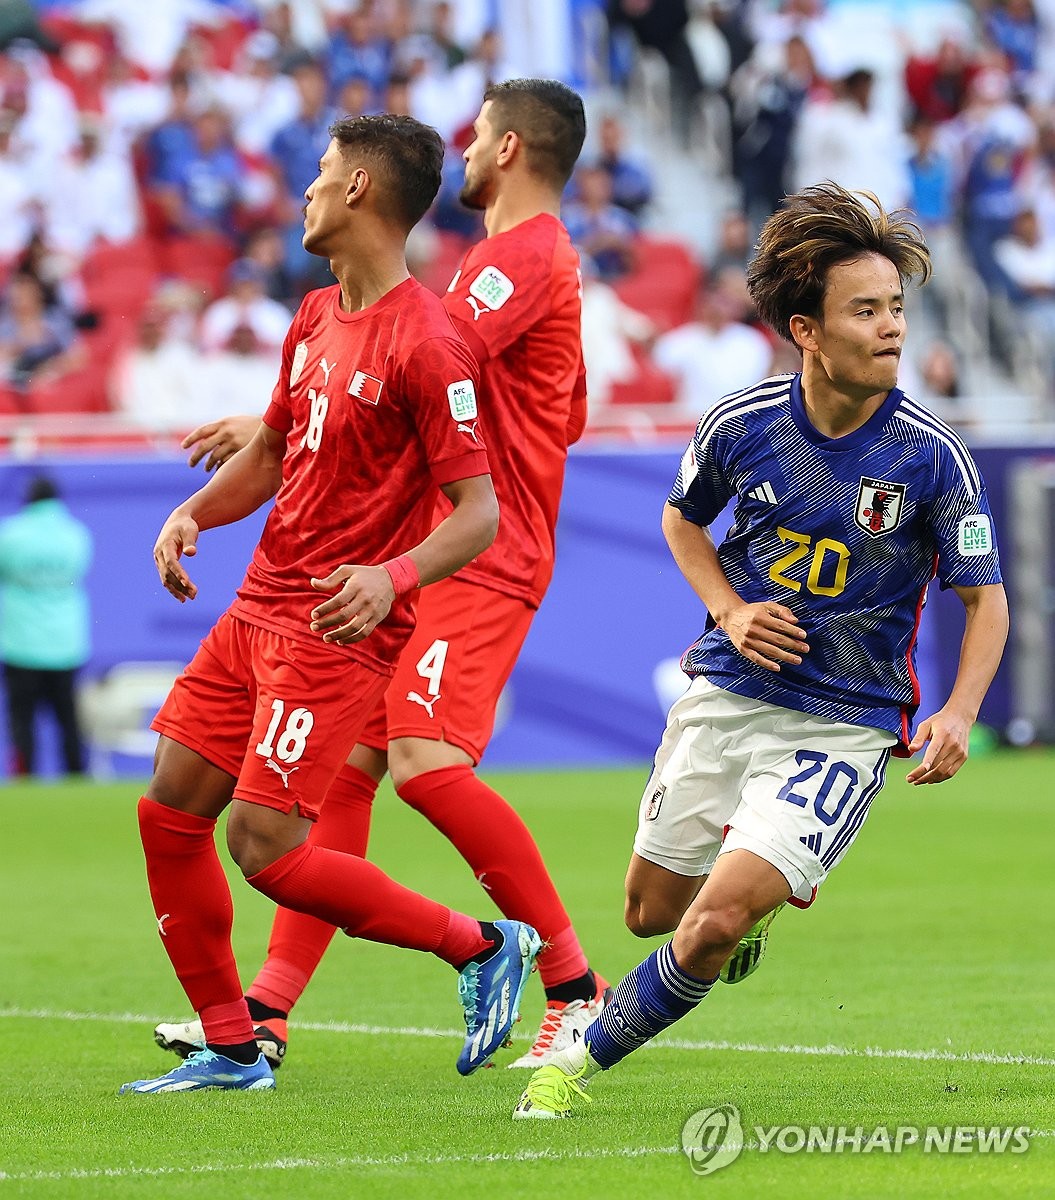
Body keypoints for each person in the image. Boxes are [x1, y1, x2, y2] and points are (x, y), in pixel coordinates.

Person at [512, 182, 1009, 1118]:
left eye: (896, 308)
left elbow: (985, 602)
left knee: (710, 921)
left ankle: (574, 1067)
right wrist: (730, 610)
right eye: (864, 310)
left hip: (846, 723)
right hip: (729, 691)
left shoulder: (931, 457)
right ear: (805, 329)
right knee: (650, 912)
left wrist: (957, 711)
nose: (890, 327)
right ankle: (736, 925)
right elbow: (680, 522)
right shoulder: (740, 427)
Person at [157, 79, 617, 1077]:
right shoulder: (518, 266)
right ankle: (267, 1014)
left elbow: (423, 354)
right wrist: (289, 418)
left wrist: (307, 415)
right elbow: (561, 409)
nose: (465, 144)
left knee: (418, 758)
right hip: (436, 544)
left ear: (504, 149)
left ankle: (576, 990)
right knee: (349, 777)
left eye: (477, 128)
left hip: (476, 550)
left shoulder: (520, 259)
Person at [0, 475, 92, 777]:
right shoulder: (77, 535)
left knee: (22, 719)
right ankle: (77, 778)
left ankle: (24, 776)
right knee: (68, 719)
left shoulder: (10, 535)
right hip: (65, 642)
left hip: (21, 643)